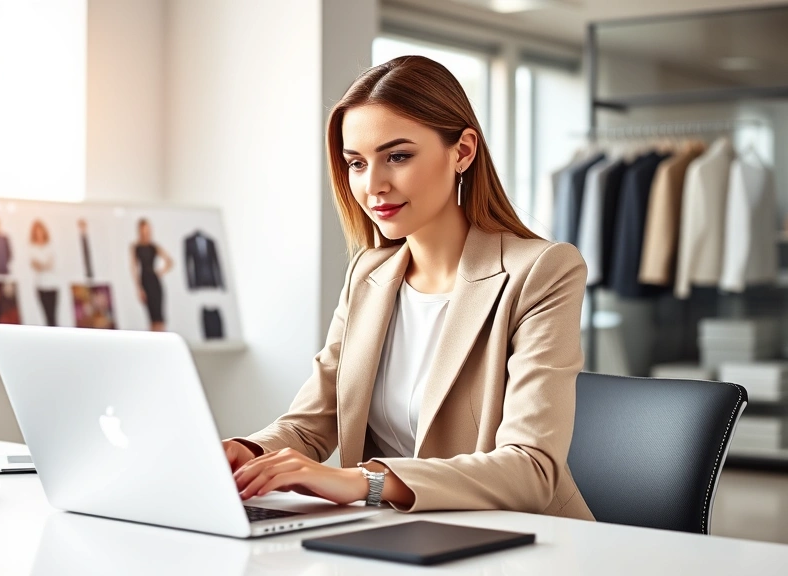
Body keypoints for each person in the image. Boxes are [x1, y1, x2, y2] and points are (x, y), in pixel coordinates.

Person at [222, 56, 594, 521]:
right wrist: (246, 451)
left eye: (397, 156)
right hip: (396, 534)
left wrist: (365, 481)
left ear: (462, 151)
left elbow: (531, 468)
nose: (373, 184)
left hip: (521, 540)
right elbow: (311, 423)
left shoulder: (541, 271)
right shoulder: (368, 274)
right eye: (356, 163)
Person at [130, 219, 173, 332]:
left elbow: (170, 261)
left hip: (155, 282)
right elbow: (134, 268)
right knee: (151, 317)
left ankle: (162, 339)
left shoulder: (154, 247)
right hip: (145, 282)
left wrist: (160, 272)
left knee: (159, 316)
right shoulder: (135, 247)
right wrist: (139, 288)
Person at [30, 220, 58, 326]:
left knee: (53, 316)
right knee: (46, 316)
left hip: (52, 284)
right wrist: (43, 265)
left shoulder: (50, 246)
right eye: (36, 232)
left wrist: (42, 265)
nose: (39, 234)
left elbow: (50, 264)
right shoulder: (32, 248)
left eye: (40, 231)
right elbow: (35, 265)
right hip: (40, 285)